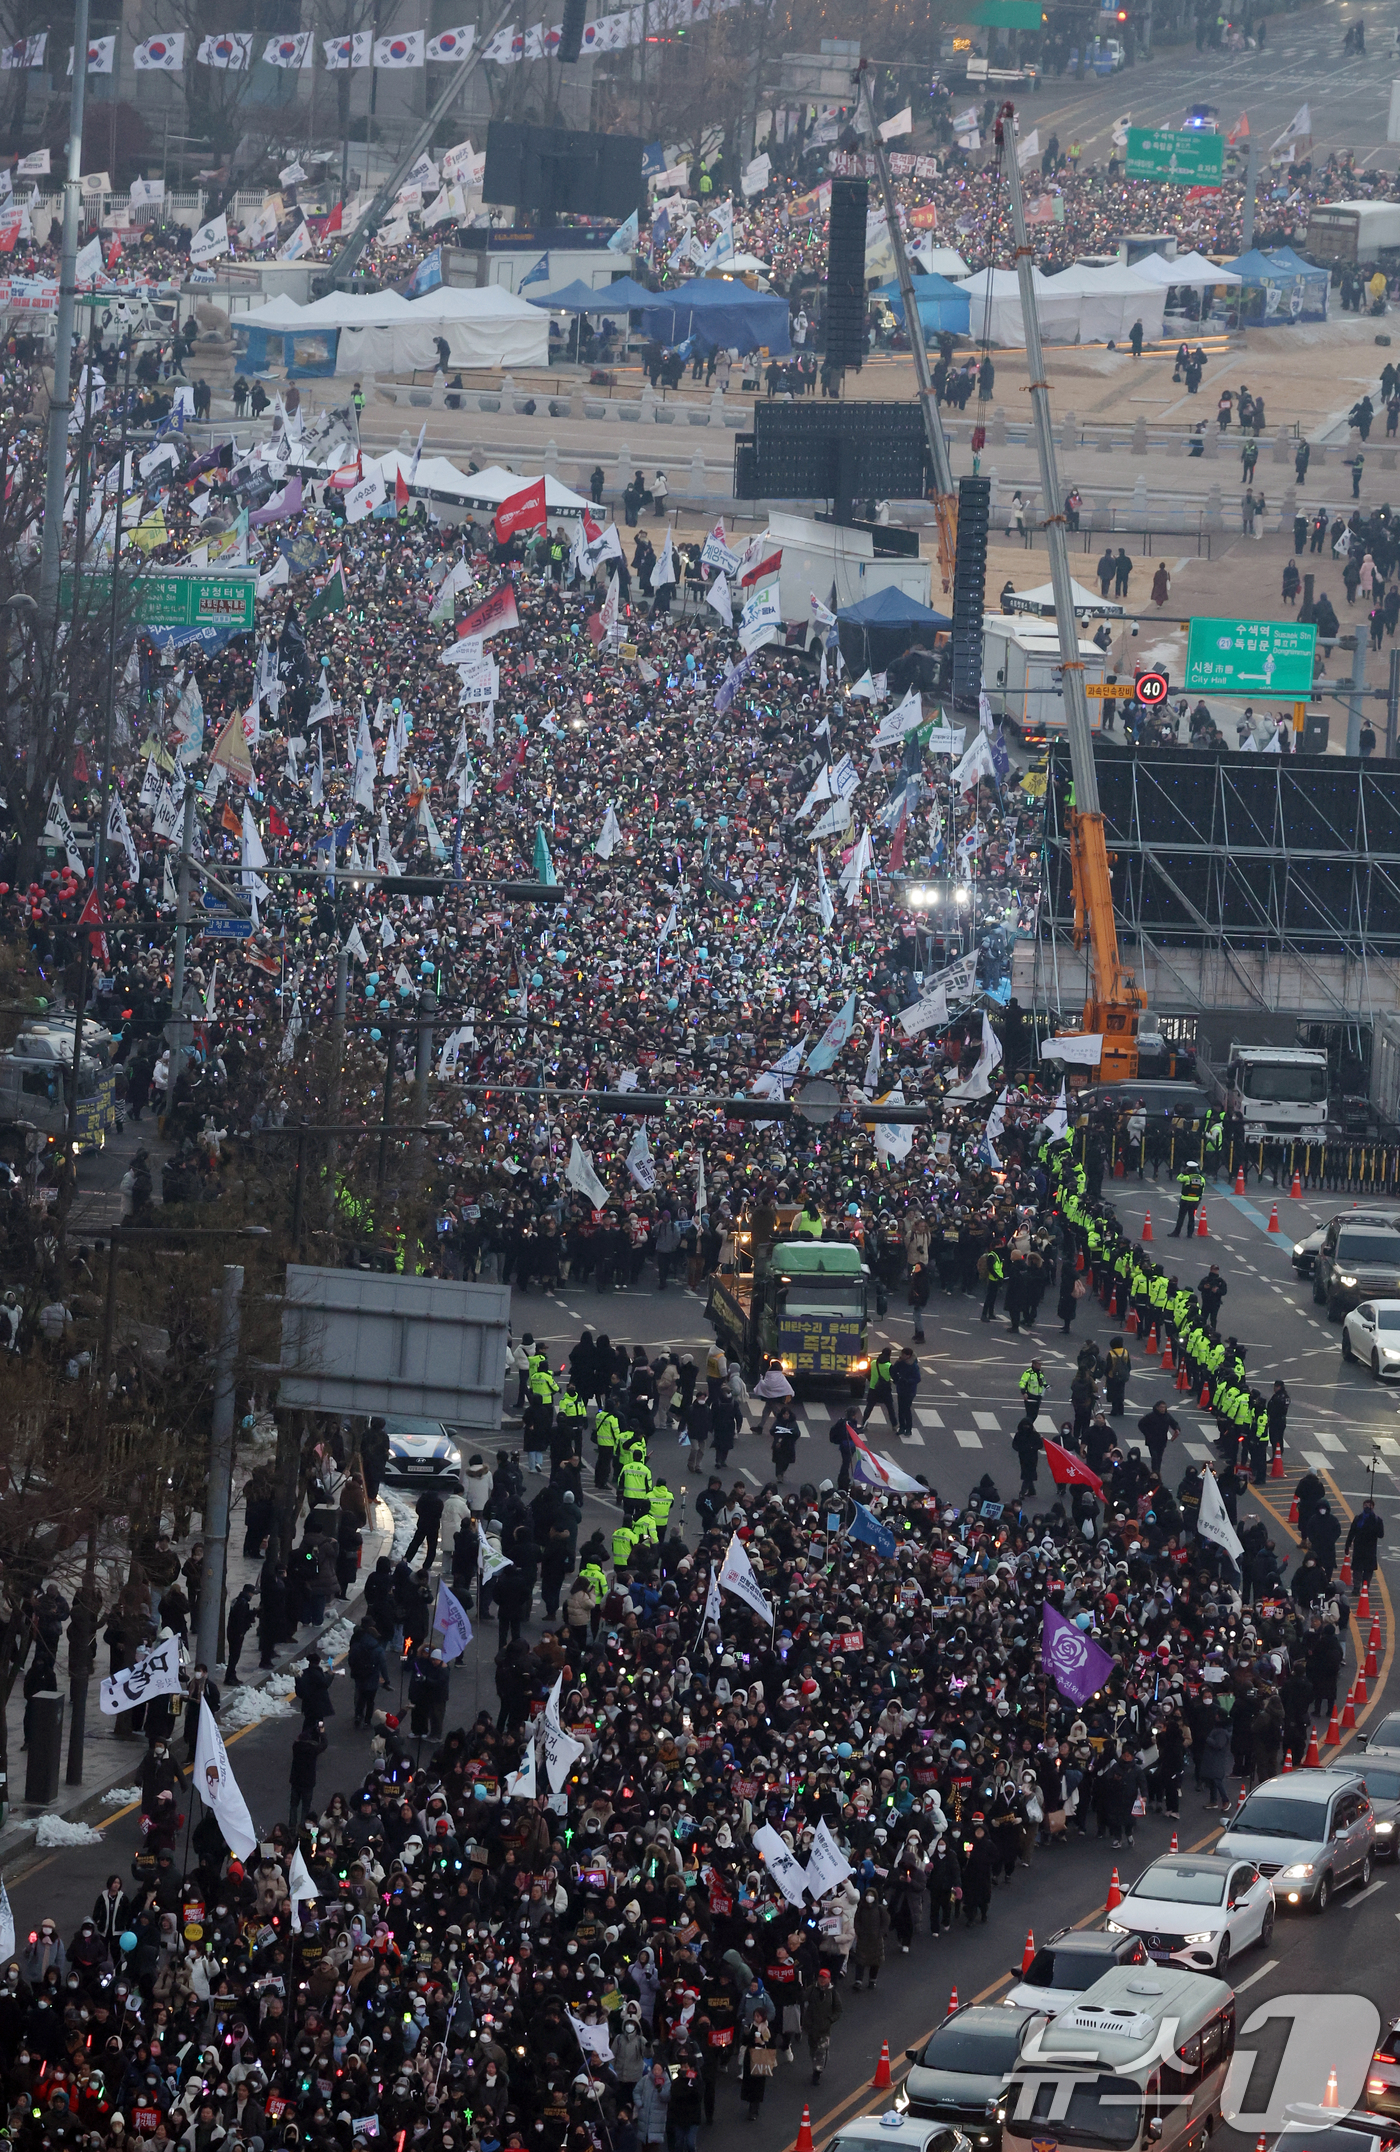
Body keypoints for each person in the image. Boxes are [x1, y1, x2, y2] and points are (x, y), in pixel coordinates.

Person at [1170, 1159, 1205, 1236]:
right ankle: (1190, 1234)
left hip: (1185, 1199)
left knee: (1181, 1217)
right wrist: (1199, 1199)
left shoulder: (1187, 1178)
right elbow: (1202, 1190)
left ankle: (1176, 1232)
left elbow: (1178, 1178)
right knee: (1191, 1217)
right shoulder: (1201, 1179)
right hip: (1195, 1201)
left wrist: (1183, 1172)